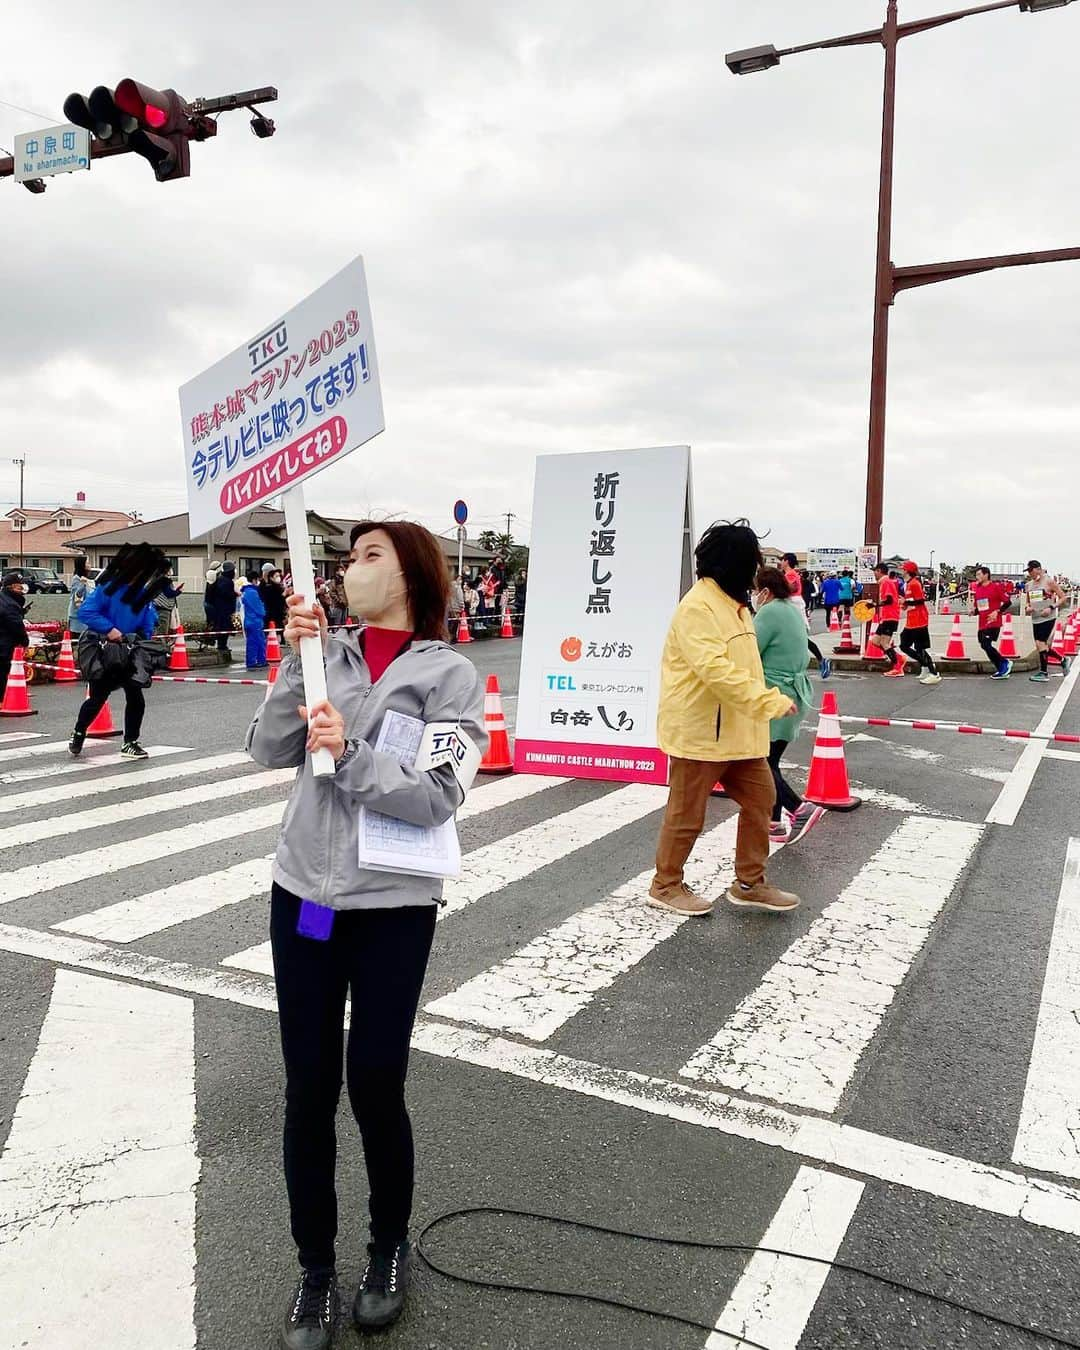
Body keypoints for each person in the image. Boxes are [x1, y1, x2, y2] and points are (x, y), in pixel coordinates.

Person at [246, 520, 486, 1347]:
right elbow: (266, 748)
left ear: (414, 574)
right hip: (304, 900)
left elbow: (440, 789)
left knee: (376, 1082)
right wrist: (292, 660)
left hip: (393, 909)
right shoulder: (326, 655)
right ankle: (314, 1267)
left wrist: (351, 755)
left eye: (368, 555)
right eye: (346, 558)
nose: (349, 569)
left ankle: (387, 1251)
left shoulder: (450, 675)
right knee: (307, 1087)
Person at [651, 520, 800, 918]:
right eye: (751, 563)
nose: (754, 573)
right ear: (732, 564)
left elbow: (743, 667)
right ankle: (665, 885)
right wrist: (768, 701)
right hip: (701, 732)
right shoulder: (699, 607)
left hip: (739, 732)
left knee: (762, 799)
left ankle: (750, 883)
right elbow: (715, 670)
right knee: (687, 814)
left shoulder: (734, 605)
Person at [753, 567, 826, 845]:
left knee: (761, 762)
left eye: (755, 590)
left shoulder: (769, 612)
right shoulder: (791, 609)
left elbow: (750, 652)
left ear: (765, 591)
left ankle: (799, 808)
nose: (753, 595)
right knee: (770, 760)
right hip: (794, 693)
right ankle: (774, 823)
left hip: (776, 695)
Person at [69, 566, 160, 760]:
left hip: (130, 648)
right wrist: (109, 629)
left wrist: (146, 636)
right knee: (97, 698)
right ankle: (79, 731)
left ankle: (130, 742)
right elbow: (86, 612)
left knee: (136, 696)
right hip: (104, 649)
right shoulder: (107, 590)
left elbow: (149, 617)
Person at [781, 552, 831, 680]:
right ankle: (816, 661)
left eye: (782, 560)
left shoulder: (791, 574)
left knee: (801, 637)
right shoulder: (789, 574)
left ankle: (821, 660)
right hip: (792, 604)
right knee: (794, 637)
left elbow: (791, 588)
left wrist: (779, 589)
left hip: (794, 604)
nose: (781, 562)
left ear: (786, 561)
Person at [1024, 560, 1070, 682]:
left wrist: (1051, 607)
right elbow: (1028, 602)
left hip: (1048, 617)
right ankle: (1063, 660)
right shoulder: (1029, 585)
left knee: (1041, 643)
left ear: (1039, 569)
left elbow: (1063, 597)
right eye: (1028, 571)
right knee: (1040, 645)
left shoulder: (1049, 582)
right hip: (1035, 618)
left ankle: (1044, 672)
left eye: (1031, 571)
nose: (1030, 574)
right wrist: (1027, 608)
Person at [898, 561, 942, 685]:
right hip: (911, 620)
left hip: (919, 620)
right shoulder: (908, 584)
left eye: (903, 569)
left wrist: (906, 603)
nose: (902, 571)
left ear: (907, 571)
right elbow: (911, 602)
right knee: (904, 645)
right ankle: (925, 666)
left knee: (920, 648)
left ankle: (933, 672)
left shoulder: (915, 584)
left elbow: (920, 601)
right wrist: (904, 604)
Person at [969, 565, 1013, 680]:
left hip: (993, 621)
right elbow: (980, 607)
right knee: (984, 645)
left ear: (986, 575)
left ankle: (1004, 663)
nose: (977, 577)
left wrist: (997, 612)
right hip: (982, 622)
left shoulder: (996, 587)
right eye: (976, 575)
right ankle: (1001, 667)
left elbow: (1008, 602)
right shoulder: (977, 589)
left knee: (986, 643)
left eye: (979, 574)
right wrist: (974, 611)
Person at [868, 561, 904, 676]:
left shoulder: (885, 582)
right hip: (886, 616)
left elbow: (889, 600)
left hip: (890, 616)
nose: (874, 574)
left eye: (875, 571)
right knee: (875, 641)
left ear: (879, 571)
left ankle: (898, 667)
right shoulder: (885, 582)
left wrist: (875, 605)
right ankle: (899, 658)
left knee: (884, 642)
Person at [0, 570, 31, 702]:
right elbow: (15, 625)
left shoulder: (6, 599)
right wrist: (25, 641)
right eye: (20, 586)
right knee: (2, 671)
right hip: (4, 645)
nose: (22, 588)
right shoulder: (10, 604)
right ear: (12, 587)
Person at [206, 561, 240, 657]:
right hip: (224, 609)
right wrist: (235, 594)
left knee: (222, 628)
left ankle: (222, 645)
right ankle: (222, 646)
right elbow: (225, 594)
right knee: (223, 628)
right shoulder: (226, 581)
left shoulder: (222, 579)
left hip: (221, 608)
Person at [241, 572, 268, 669]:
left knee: (256, 641)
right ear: (254, 580)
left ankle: (259, 660)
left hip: (251, 620)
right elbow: (258, 608)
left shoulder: (246, 591)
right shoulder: (252, 592)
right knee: (256, 642)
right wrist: (263, 610)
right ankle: (255, 661)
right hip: (254, 621)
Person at [67, 556, 96, 636]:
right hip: (78, 619)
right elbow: (77, 595)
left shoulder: (86, 580)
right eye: (87, 562)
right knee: (79, 641)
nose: (89, 564)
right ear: (82, 565)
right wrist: (83, 584)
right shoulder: (76, 579)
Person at [260, 568, 288, 635]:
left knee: (278, 636)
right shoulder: (269, 588)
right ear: (271, 578)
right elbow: (274, 602)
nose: (278, 578)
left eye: (279, 576)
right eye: (276, 576)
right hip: (272, 616)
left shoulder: (280, 587)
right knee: (274, 635)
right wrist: (283, 596)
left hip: (278, 616)